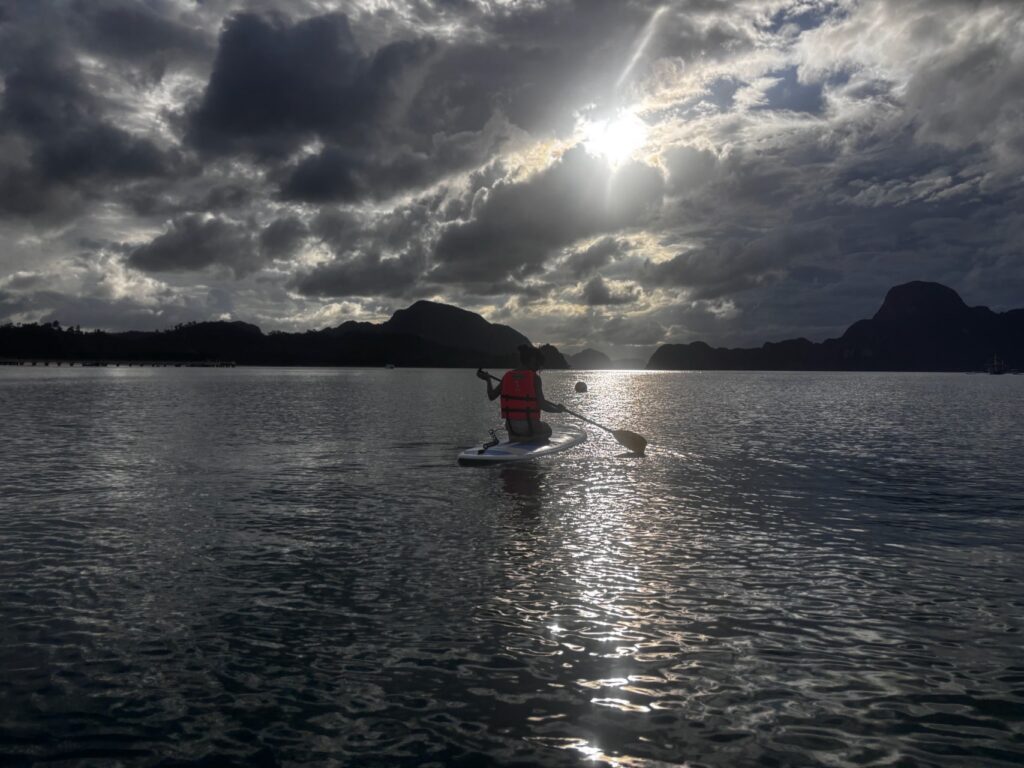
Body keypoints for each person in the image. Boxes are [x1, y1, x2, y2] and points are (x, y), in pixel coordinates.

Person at [477, 344, 565, 441]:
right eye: (539, 363)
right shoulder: (535, 378)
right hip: (530, 427)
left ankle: (517, 437)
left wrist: (488, 380)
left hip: (511, 427)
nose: (539, 367)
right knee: (548, 430)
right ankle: (528, 438)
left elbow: (491, 396)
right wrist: (558, 410)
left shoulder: (507, 376)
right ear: (532, 360)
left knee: (519, 430)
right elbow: (542, 405)